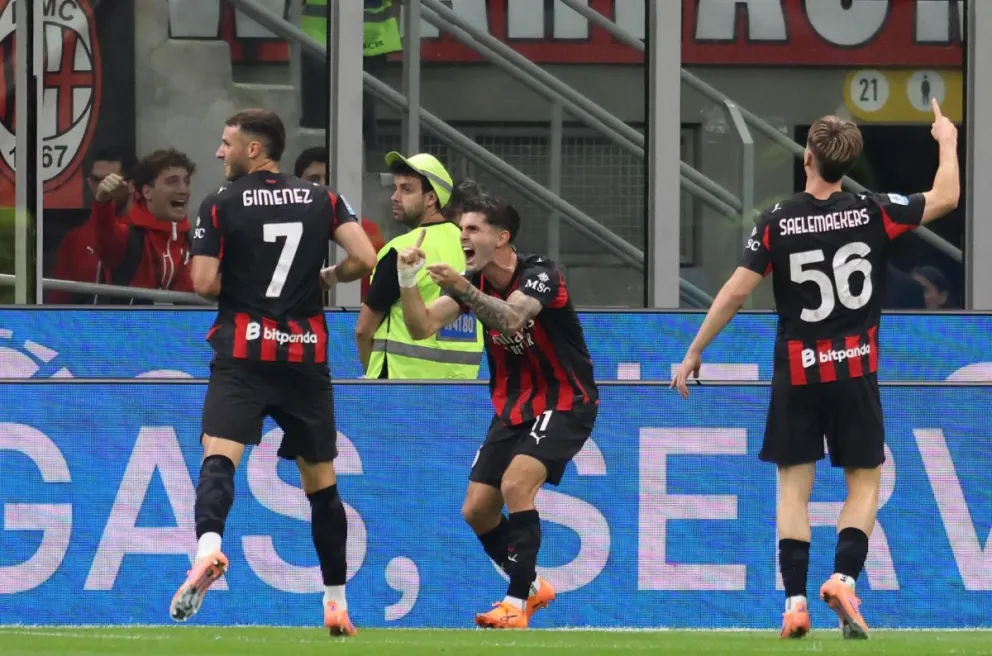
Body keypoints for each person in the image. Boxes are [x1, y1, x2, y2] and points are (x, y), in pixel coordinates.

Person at [671, 99, 960, 640]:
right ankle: (844, 578)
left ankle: (795, 603)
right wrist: (944, 139)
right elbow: (946, 196)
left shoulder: (777, 220)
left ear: (808, 157)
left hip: (798, 372)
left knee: (793, 491)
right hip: (855, 369)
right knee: (864, 480)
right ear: (846, 165)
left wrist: (694, 351)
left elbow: (735, 292)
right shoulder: (874, 210)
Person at [171, 109, 377, 636]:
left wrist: (247, 279)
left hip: (243, 355)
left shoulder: (219, 203)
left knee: (220, 457)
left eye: (226, 144)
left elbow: (203, 283)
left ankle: (210, 550)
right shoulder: (323, 198)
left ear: (254, 150)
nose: (220, 153)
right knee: (321, 486)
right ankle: (336, 602)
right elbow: (365, 257)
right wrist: (323, 277)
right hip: (304, 357)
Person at [396, 194, 598, 629]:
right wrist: (408, 280)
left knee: (516, 484)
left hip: (565, 401)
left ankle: (514, 604)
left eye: (473, 229)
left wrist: (462, 287)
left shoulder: (540, 274)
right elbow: (421, 325)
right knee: (477, 511)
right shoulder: (474, 282)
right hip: (513, 407)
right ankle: (531, 585)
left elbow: (511, 319)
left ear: (502, 237)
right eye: (461, 229)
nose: (463, 237)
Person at [356, 152, 483, 379]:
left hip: (400, 392)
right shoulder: (473, 249)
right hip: (461, 393)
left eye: (406, 190)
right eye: (395, 188)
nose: (394, 197)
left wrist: (372, 380)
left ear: (431, 199)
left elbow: (363, 331)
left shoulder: (400, 249)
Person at [89, 148, 198, 302]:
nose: (183, 190)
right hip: (124, 326)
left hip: (182, 326)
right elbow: (104, 236)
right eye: (172, 181)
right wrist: (102, 203)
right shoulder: (127, 237)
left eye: (186, 182)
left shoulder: (195, 242)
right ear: (147, 192)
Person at [294, 146, 385, 299]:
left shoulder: (367, 230)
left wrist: (329, 278)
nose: (321, 186)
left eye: (327, 179)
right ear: (296, 182)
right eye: (314, 180)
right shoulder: (278, 224)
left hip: (338, 319)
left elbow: (369, 287)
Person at [48, 147, 137, 304]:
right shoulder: (75, 240)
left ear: (132, 184)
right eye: (98, 180)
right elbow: (58, 302)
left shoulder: (145, 233)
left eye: (111, 181)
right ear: (89, 182)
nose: (103, 188)